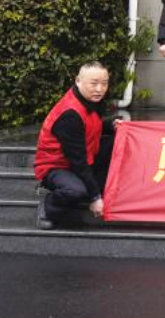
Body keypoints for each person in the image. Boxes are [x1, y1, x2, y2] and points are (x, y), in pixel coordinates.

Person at [34, 61, 117, 230]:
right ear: (78, 81)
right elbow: (78, 161)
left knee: (118, 141)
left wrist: (112, 126)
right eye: (94, 83)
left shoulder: (89, 100)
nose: (100, 89)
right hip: (56, 166)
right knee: (76, 191)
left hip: (83, 157)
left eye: (104, 83)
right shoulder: (70, 114)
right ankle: (48, 207)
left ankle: (93, 189)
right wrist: (95, 197)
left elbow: (89, 126)